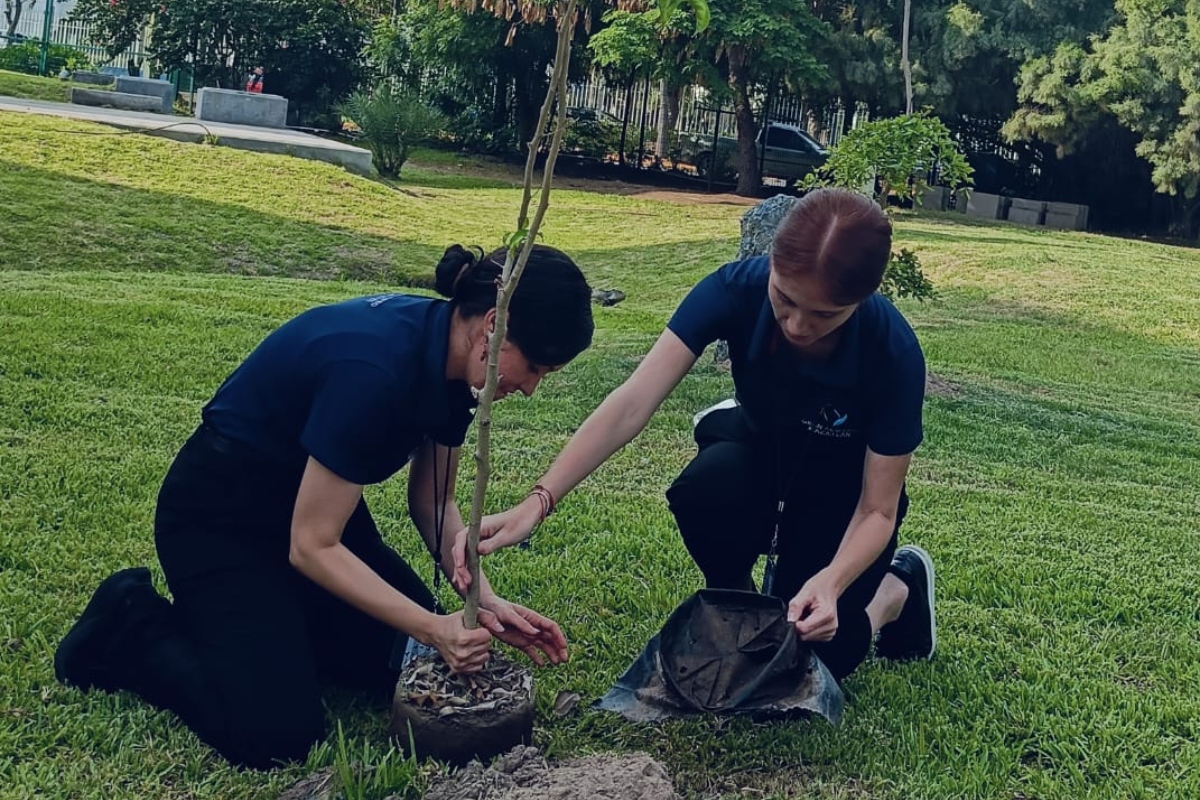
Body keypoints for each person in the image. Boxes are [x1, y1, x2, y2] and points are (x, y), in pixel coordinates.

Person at [54, 244, 594, 769]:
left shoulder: (454, 363)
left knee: (401, 664)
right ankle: (130, 623)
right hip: (222, 519)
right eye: (537, 367)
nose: (531, 389)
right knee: (276, 731)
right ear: (493, 326)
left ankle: (282, 627)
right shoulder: (377, 372)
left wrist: (484, 599)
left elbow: (434, 500)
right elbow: (311, 547)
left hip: (315, 513)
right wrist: (434, 626)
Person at [454, 188, 936, 685]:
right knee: (706, 492)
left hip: (841, 483)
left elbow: (877, 509)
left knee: (822, 659)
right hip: (759, 447)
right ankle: (740, 606)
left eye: (823, 315)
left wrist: (832, 583)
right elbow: (632, 402)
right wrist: (539, 500)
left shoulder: (893, 352)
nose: (796, 324)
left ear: (860, 300)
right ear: (769, 264)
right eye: (785, 299)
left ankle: (898, 589)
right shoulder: (733, 290)